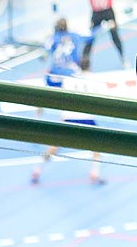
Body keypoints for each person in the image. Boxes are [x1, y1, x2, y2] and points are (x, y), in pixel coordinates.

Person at [34, 17, 104, 185]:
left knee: (57, 141)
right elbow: (90, 36)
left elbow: (43, 55)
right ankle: (94, 171)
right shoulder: (74, 37)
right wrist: (102, 27)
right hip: (81, 105)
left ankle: (38, 168)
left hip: (56, 78)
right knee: (99, 144)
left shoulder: (52, 39)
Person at [76, 0, 137, 70]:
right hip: (96, 14)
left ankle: (123, 57)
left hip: (108, 12)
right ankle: (84, 63)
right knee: (91, 38)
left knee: (115, 35)